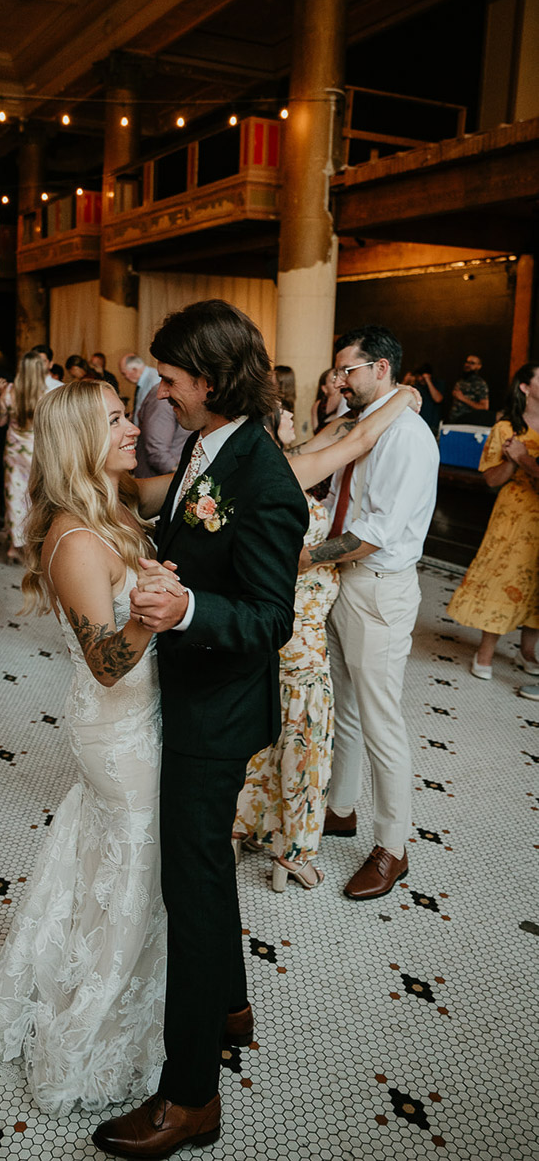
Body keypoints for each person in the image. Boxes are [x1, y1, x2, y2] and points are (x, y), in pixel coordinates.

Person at [95, 300, 308, 1159]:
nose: (161, 392)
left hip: (214, 714)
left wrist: (184, 606)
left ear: (210, 383)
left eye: (172, 380)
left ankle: (190, 1098)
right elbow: (194, 532)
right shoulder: (202, 445)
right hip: (187, 694)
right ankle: (230, 1004)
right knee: (205, 869)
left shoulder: (263, 479)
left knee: (191, 885)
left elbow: (269, 618)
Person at [0, 379, 179, 1112]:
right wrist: (153, 615)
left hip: (137, 718)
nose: (133, 426)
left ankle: (109, 996)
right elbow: (106, 661)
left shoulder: (109, 510)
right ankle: (84, 1034)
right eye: (117, 419)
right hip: (116, 727)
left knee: (105, 863)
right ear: (78, 441)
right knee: (127, 874)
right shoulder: (78, 538)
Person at [233, 386, 423, 892]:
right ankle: (294, 852)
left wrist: (377, 402)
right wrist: (403, 395)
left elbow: (338, 429)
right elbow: (356, 436)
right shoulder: (288, 473)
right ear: (270, 427)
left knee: (268, 735)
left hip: (280, 630)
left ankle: (252, 825)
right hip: (303, 642)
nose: (299, 412)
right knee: (306, 740)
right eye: (284, 412)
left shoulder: (267, 462)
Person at [300, 325, 439, 902]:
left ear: (381, 368)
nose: (339, 381)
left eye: (347, 371)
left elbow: (377, 532)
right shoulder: (365, 424)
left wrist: (303, 557)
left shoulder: (406, 436)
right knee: (348, 709)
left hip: (379, 587)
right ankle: (341, 809)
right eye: (337, 372)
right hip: (344, 581)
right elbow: (339, 498)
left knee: (382, 720)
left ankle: (393, 847)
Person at [446, 362, 539, 682]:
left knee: (537, 583)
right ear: (525, 387)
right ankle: (485, 651)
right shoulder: (505, 429)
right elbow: (490, 479)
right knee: (504, 575)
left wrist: (522, 458)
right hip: (513, 516)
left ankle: (527, 651)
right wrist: (512, 462)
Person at [0, 351, 47, 564]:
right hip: (35, 452)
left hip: (14, 452)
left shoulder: (9, 392)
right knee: (35, 497)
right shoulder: (46, 394)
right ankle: (33, 546)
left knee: (13, 496)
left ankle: (14, 546)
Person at [134, 371, 191, 478]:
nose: (161, 391)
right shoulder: (163, 400)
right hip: (158, 482)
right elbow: (157, 451)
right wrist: (185, 479)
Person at [403, 362, 444, 433]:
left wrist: (428, 380)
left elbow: (438, 399)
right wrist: (405, 381)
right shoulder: (415, 386)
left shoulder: (437, 384)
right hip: (415, 424)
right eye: (419, 376)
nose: (420, 378)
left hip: (431, 426)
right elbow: (397, 397)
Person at [449, 353, 489, 424]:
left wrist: (463, 398)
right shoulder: (460, 381)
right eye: (467, 362)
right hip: (454, 421)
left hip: (469, 423)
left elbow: (484, 407)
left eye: (472, 363)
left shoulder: (480, 384)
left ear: (479, 366)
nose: (468, 365)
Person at [119, 353, 159, 420]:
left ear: (134, 370)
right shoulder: (143, 381)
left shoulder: (154, 380)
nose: (124, 377)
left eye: (124, 373)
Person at [310, 367, 344, 436]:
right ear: (324, 388)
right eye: (334, 382)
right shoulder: (317, 405)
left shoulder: (317, 405)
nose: (338, 384)